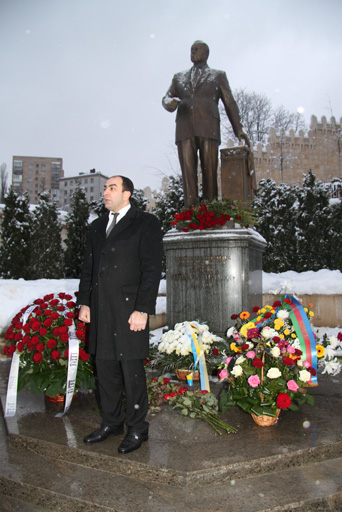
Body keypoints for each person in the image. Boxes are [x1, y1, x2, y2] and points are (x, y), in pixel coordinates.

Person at [77, 175, 162, 454]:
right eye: (104, 188)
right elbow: (88, 268)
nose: (105, 192)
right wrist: (85, 302)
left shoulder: (145, 223)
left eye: (112, 187)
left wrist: (142, 309)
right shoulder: (97, 226)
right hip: (101, 310)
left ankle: (138, 428)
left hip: (129, 311)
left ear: (127, 194)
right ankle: (112, 422)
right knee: (106, 370)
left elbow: (151, 269)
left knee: (131, 372)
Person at [162, 40, 250, 206]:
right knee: (188, 172)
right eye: (192, 49)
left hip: (209, 128)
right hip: (184, 128)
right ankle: (190, 210)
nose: (193, 51)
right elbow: (166, 98)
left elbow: (230, 102)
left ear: (206, 53)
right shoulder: (178, 77)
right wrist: (169, 102)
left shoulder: (218, 76)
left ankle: (211, 209)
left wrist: (238, 129)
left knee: (209, 171)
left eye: (197, 49)